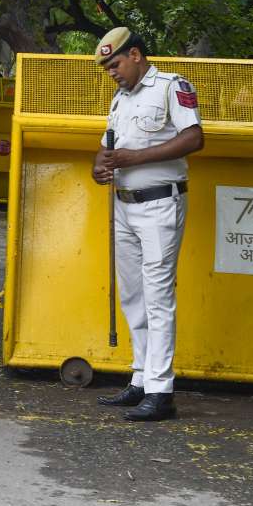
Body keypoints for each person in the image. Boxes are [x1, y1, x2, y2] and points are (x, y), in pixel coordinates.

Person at [91, 27, 203, 423]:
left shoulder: (172, 86)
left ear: (135, 54)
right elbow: (109, 146)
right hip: (123, 206)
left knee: (157, 298)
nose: (112, 73)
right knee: (132, 297)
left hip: (160, 206)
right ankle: (140, 378)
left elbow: (194, 139)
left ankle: (161, 391)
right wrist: (99, 165)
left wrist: (133, 159)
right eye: (107, 68)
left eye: (115, 64)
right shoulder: (120, 98)